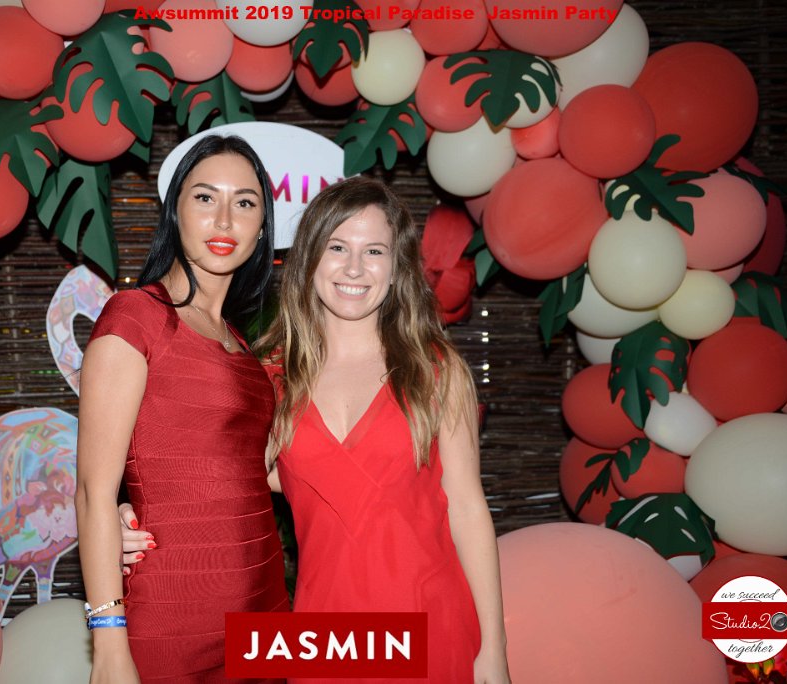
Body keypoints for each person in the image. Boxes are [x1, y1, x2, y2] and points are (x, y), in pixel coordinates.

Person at [123, 177, 511, 683]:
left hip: (431, 624)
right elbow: (214, 484)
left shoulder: (435, 369)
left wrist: (493, 651)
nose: (354, 268)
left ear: (397, 267)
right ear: (309, 259)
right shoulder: (270, 377)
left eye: (374, 251)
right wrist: (129, 519)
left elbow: (468, 510)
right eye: (337, 247)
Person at [76, 134, 289, 684]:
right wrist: (108, 645)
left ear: (262, 228)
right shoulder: (136, 317)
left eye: (245, 202)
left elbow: (263, 473)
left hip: (264, 606)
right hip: (173, 615)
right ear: (175, 212)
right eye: (205, 197)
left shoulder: (243, 345)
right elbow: (94, 493)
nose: (225, 220)